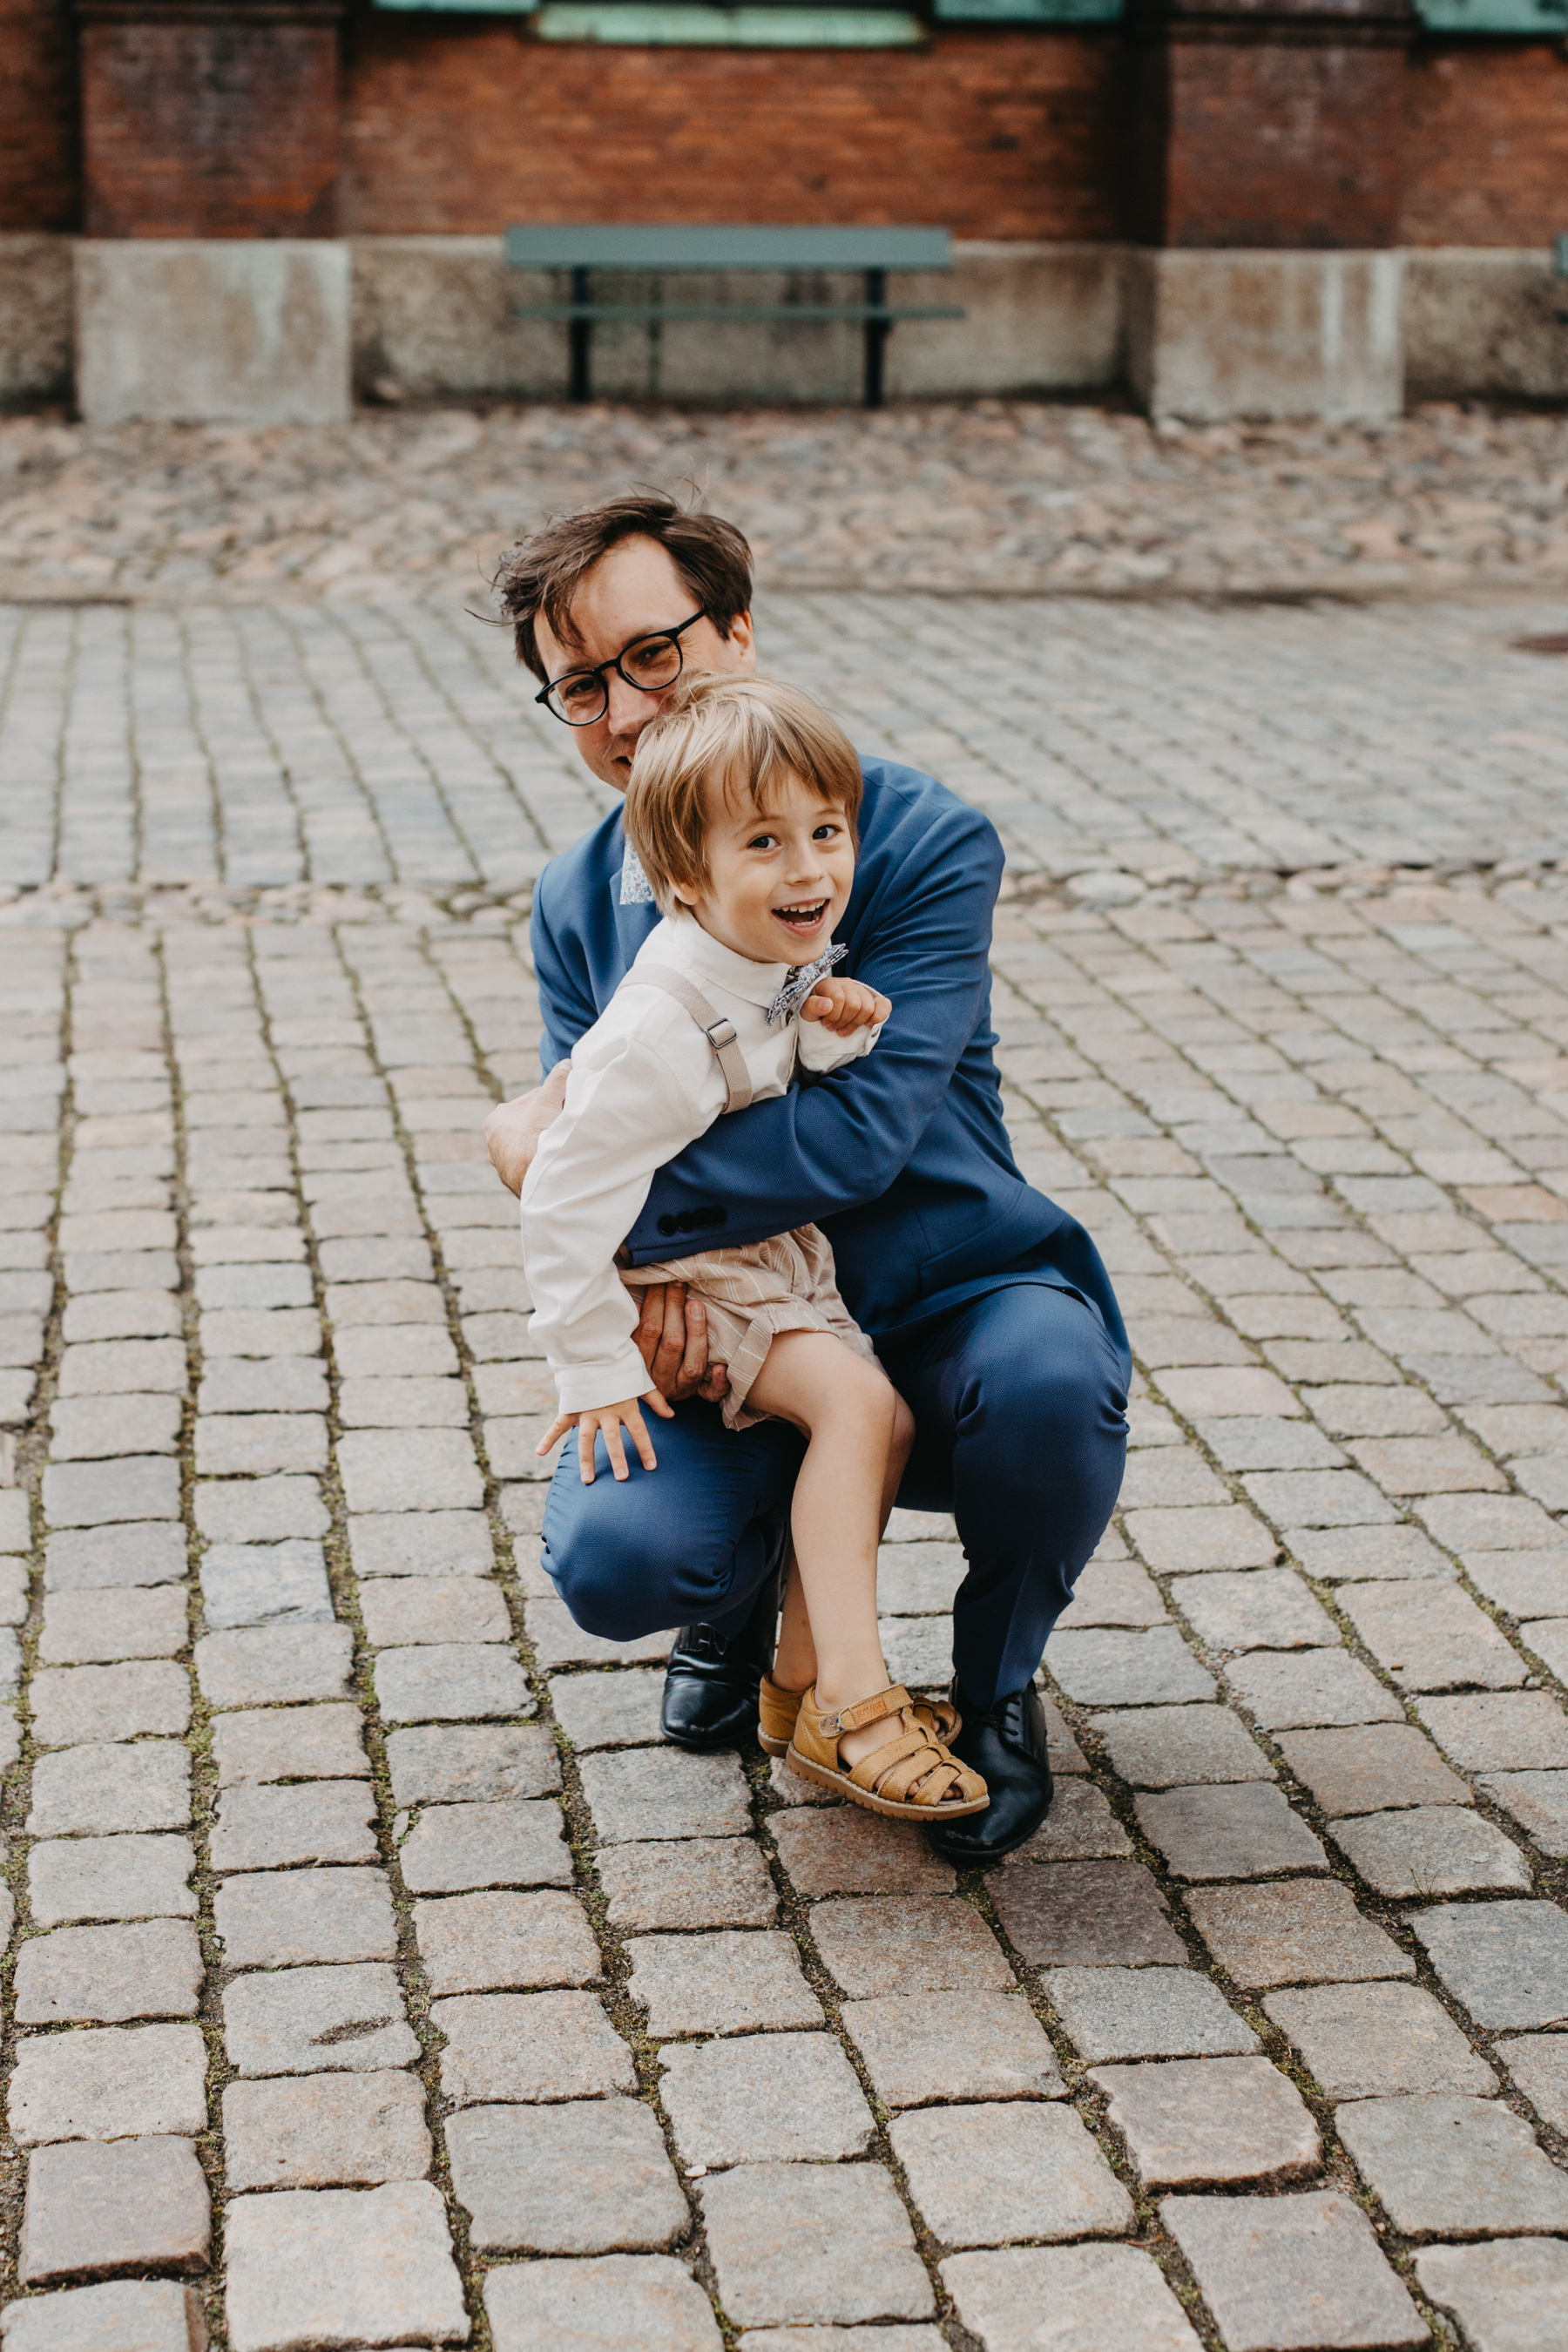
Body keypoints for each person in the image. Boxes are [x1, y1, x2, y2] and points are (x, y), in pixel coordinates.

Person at [484, 490, 1129, 1862]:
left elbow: (855, 1135)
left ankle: (995, 1691)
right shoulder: (572, 896)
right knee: (618, 1556)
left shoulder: (902, 837)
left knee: (1050, 1388)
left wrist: (564, 1180)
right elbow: (591, 1133)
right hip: (740, 1312)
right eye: (580, 686)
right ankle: (751, 1610)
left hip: (939, 1276)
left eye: (651, 654)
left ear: (738, 631)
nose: (624, 710)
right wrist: (629, 1279)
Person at [521, 670, 985, 1821]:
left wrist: (835, 1028)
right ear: (685, 880)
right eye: (767, 844)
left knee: (887, 1419)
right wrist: (593, 1360)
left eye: (827, 832)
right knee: (860, 1412)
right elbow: (564, 1188)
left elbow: (773, 1064)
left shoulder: (763, 952)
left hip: (777, 1257)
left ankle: (793, 1686)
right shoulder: (659, 1028)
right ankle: (857, 1701)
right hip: (705, 1275)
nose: (812, 869)